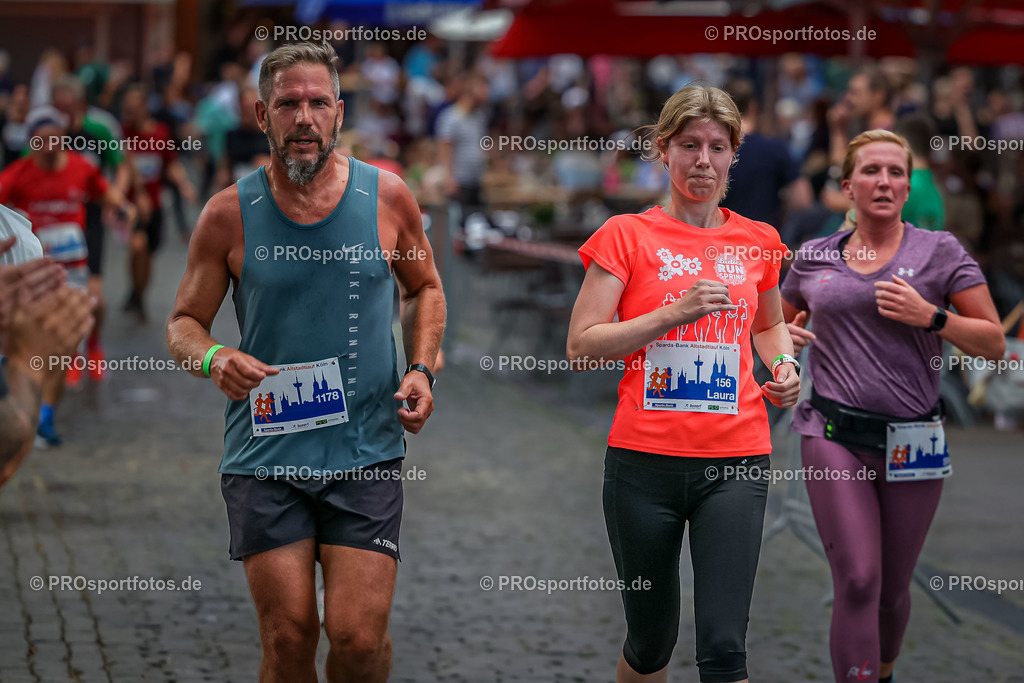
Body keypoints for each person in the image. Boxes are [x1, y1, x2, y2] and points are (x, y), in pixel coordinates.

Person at [165, 41, 445, 683]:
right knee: (289, 637)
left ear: (340, 112)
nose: (304, 117)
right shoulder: (228, 214)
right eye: (287, 103)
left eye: (318, 102)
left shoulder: (388, 198)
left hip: (365, 448)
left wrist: (422, 369)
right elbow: (183, 323)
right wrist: (212, 356)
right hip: (265, 454)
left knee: (356, 638)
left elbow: (425, 288)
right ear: (259, 115)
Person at [567, 84, 801, 683]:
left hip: (737, 460)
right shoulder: (625, 235)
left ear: (733, 155)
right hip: (644, 463)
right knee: (652, 644)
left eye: (717, 147)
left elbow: (770, 326)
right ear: (662, 150)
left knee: (724, 648)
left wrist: (783, 369)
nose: (703, 160)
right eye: (689, 145)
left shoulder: (759, 241)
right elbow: (582, 346)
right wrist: (673, 313)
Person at [780, 130, 1005, 683]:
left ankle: (883, 672)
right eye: (871, 171)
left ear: (908, 187)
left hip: (915, 441)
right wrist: (783, 343)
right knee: (858, 579)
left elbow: (994, 342)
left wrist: (932, 317)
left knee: (892, 590)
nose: (884, 181)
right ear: (847, 187)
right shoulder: (813, 257)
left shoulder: (941, 251)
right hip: (832, 431)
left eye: (895, 172)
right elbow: (773, 332)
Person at [0, 106, 134, 446]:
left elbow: (105, 190)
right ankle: (36, 408)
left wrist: (122, 206)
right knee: (42, 340)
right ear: (32, 141)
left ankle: (46, 414)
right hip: (35, 265)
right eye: (41, 140)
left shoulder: (81, 168)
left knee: (67, 335)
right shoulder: (18, 173)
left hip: (73, 262)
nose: (49, 146)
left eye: (55, 138)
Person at [0, 219, 93, 486]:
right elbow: (6, 455)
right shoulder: (17, 235)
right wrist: (28, 361)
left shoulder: (18, 237)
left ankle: (47, 419)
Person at [120, 84, 196, 321]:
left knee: (148, 254)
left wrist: (184, 184)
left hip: (155, 205)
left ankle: (137, 293)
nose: (130, 113)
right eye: (127, 108)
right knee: (137, 246)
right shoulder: (122, 132)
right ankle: (137, 295)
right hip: (132, 206)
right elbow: (122, 166)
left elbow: (170, 163)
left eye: (135, 107)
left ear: (145, 107)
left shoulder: (160, 132)